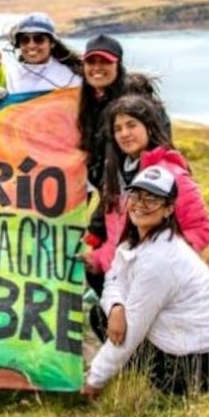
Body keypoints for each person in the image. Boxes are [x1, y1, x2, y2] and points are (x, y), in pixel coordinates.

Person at [83, 165, 209, 398]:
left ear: (169, 209)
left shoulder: (160, 259)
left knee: (162, 380)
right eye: (136, 195)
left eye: (151, 199)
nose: (140, 204)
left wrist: (93, 381)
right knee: (102, 315)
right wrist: (116, 307)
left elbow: (131, 336)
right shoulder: (132, 243)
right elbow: (113, 279)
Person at [77, 34, 169, 296]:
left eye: (104, 61)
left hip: (143, 200)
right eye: (91, 61)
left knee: (131, 273)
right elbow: (109, 178)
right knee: (99, 270)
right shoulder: (89, 100)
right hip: (114, 202)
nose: (97, 67)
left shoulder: (134, 103)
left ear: (118, 65)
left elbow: (157, 157)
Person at [3, 12, 82, 93]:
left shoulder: (70, 78)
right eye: (25, 40)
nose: (31, 45)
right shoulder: (10, 75)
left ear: (52, 43)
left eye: (38, 39)